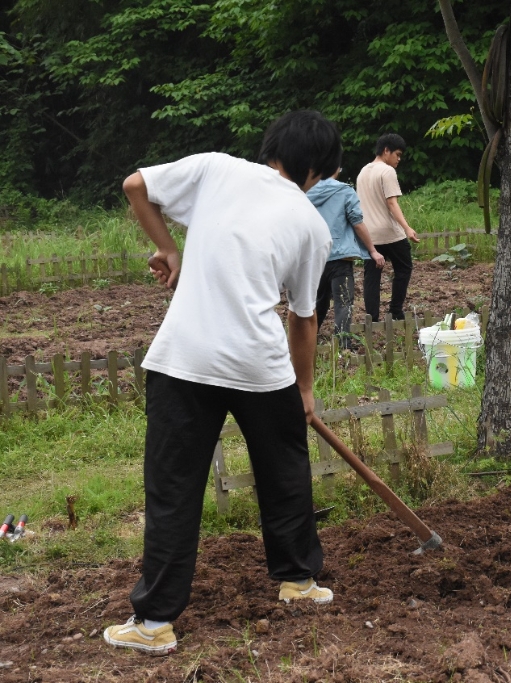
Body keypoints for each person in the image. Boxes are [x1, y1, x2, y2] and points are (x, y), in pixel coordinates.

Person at [104, 110, 342, 656]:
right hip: (260, 366)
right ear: (318, 172)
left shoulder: (217, 170)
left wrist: (169, 250)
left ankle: (154, 623)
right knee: (284, 473)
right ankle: (299, 582)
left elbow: (136, 186)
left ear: (272, 148)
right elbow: (302, 319)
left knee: (173, 488)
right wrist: (303, 390)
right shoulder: (309, 223)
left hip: (182, 359)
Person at [307, 168, 386, 349]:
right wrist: (372, 250)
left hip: (315, 257)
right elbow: (357, 222)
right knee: (343, 302)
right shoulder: (344, 191)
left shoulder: (305, 192)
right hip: (340, 257)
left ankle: (310, 338)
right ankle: (343, 344)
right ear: (337, 168)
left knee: (318, 299)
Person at [357, 133, 419, 322]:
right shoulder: (387, 171)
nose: (398, 159)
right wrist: (407, 228)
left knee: (372, 277)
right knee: (404, 267)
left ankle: (372, 318)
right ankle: (395, 311)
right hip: (389, 232)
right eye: (397, 154)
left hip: (369, 234)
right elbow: (392, 203)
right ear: (386, 150)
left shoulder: (363, 172)